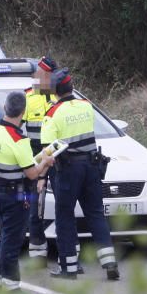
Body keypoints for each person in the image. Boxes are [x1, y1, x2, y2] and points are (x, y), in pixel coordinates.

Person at [40, 70, 120, 281]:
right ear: (71, 87)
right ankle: (109, 261)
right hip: (91, 166)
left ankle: (68, 267)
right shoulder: (86, 106)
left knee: (64, 216)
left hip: (68, 170)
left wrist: (37, 169)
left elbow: (48, 149)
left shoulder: (53, 113)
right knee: (95, 213)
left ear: (55, 91)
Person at [0, 91, 55, 293]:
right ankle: (12, 290)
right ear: (23, 112)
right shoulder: (19, 140)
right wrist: (46, 162)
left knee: (4, 236)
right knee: (11, 244)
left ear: (4, 108)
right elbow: (32, 174)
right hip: (17, 196)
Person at [23, 56, 59, 264]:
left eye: (41, 74)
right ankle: (37, 253)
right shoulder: (28, 97)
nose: (37, 77)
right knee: (35, 206)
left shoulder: (60, 98)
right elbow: (19, 131)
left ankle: (68, 253)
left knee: (64, 206)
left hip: (59, 160)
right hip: (37, 159)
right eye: (37, 73)